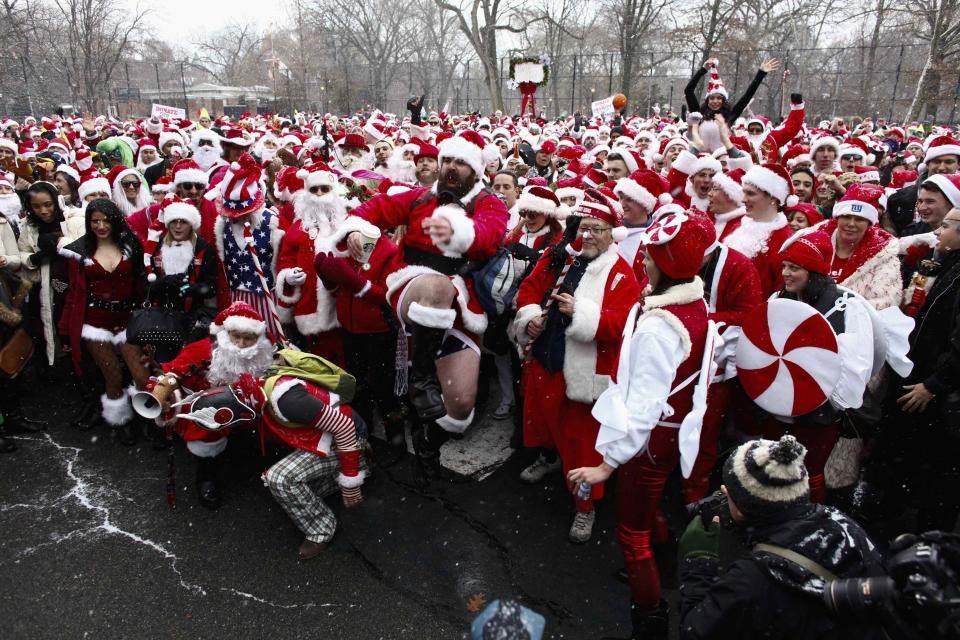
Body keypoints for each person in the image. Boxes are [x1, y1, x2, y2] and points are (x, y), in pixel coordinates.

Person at [567, 211, 717, 636]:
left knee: (632, 534)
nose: (644, 262)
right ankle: (666, 571)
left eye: (651, 255)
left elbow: (644, 407)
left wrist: (607, 463)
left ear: (667, 263)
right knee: (648, 513)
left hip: (650, 442)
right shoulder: (693, 301)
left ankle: (650, 620)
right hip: (669, 436)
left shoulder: (658, 328)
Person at [346, 130, 508, 484]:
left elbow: (488, 236)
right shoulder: (418, 198)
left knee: (461, 407)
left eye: (460, 162)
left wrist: (457, 232)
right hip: (412, 286)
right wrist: (356, 230)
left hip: (462, 306)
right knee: (436, 285)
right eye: (446, 160)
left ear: (476, 170)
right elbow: (368, 210)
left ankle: (428, 440)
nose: (450, 167)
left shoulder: (490, 204)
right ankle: (420, 380)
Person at [517, 190, 641, 543]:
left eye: (597, 229)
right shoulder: (560, 258)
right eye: (583, 228)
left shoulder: (619, 272)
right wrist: (530, 319)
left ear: (611, 233)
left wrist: (582, 314)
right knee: (540, 421)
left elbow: (621, 324)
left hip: (582, 373)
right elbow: (528, 289)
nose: (587, 236)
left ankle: (586, 508)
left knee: (581, 446)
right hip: (545, 359)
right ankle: (547, 458)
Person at [678, 435, 884, 640]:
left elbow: (696, 631)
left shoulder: (753, 578)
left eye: (728, 492)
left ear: (741, 510)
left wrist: (699, 562)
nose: (722, 494)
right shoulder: (843, 524)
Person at [868, 206, 960, 535]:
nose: (938, 231)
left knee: (934, 475)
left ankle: (932, 537)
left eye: (947, 226)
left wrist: (933, 385)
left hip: (937, 393)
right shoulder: (941, 263)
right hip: (915, 374)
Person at [157, 302, 275, 509]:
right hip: (211, 411)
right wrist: (161, 393)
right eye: (235, 336)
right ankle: (206, 476)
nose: (240, 343)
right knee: (208, 429)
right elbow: (170, 374)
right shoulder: (204, 350)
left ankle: (262, 458)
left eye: (248, 338)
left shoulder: (267, 351)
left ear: (258, 338)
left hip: (251, 406)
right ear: (225, 333)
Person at [59, 198, 149, 445]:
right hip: (94, 323)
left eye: (106, 220)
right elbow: (73, 295)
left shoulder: (131, 246)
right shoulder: (78, 253)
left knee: (141, 376)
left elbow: (141, 285)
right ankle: (121, 422)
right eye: (95, 221)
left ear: (115, 220)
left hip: (126, 320)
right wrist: (65, 331)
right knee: (113, 376)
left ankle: (149, 419)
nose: (100, 226)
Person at [274, 163, 348, 361]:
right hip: (309, 304)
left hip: (343, 304)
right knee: (316, 362)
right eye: (314, 189)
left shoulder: (348, 223)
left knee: (344, 359)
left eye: (325, 188)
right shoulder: (298, 228)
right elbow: (285, 260)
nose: (319, 193)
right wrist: (288, 276)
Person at [212, 153, 284, 336]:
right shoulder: (222, 225)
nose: (237, 218)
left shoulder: (272, 222)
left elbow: (282, 261)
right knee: (241, 345)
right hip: (237, 297)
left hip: (267, 297)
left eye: (243, 212)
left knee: (269, 343)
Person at [17, 181, 85, 367]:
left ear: (56, 201)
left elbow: (87, 250)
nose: (44, 211)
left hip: (74, 282)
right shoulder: (29, 227)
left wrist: (61, 243)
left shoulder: (75, 219)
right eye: (37, 206)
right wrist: (36, 257)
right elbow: (22, 253)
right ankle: (57, 364)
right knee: (52, 322)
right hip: (46, 285)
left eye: (48, 204)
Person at [142, 196, 219, 357]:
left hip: (193, 320)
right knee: (164, 369)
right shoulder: (155, 247)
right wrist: (163, 283)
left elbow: (212, 288)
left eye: (183, 222)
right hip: (161, 320)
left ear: (191, 224)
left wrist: (190, 289)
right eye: (173, 221)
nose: (177, 227)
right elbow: (143, 286)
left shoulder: (203, 249)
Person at [819, 184, 902, 309]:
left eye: (859, 219)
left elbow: (885, 302)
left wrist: (841, 314)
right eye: (846, 217)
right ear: (837, 218)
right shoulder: (816, 243)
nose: (851, 224)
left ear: (869, 224)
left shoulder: (884, 256)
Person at [722, 163, 796, 297]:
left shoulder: (784, 242)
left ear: (773, 198)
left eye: (750, 194)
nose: (743, 200)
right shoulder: (737, 225)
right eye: (744, 192)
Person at [684, 58, 780, 152]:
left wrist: (761, 73)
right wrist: (703, 70)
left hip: (721, 160)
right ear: (707, 100)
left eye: (719, 98)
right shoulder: (698, 114)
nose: (715, 101)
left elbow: (747, 96)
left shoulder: (729, 116)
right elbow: (688, 91)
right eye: (712, 98)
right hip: (699, 158)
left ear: (723, 100)